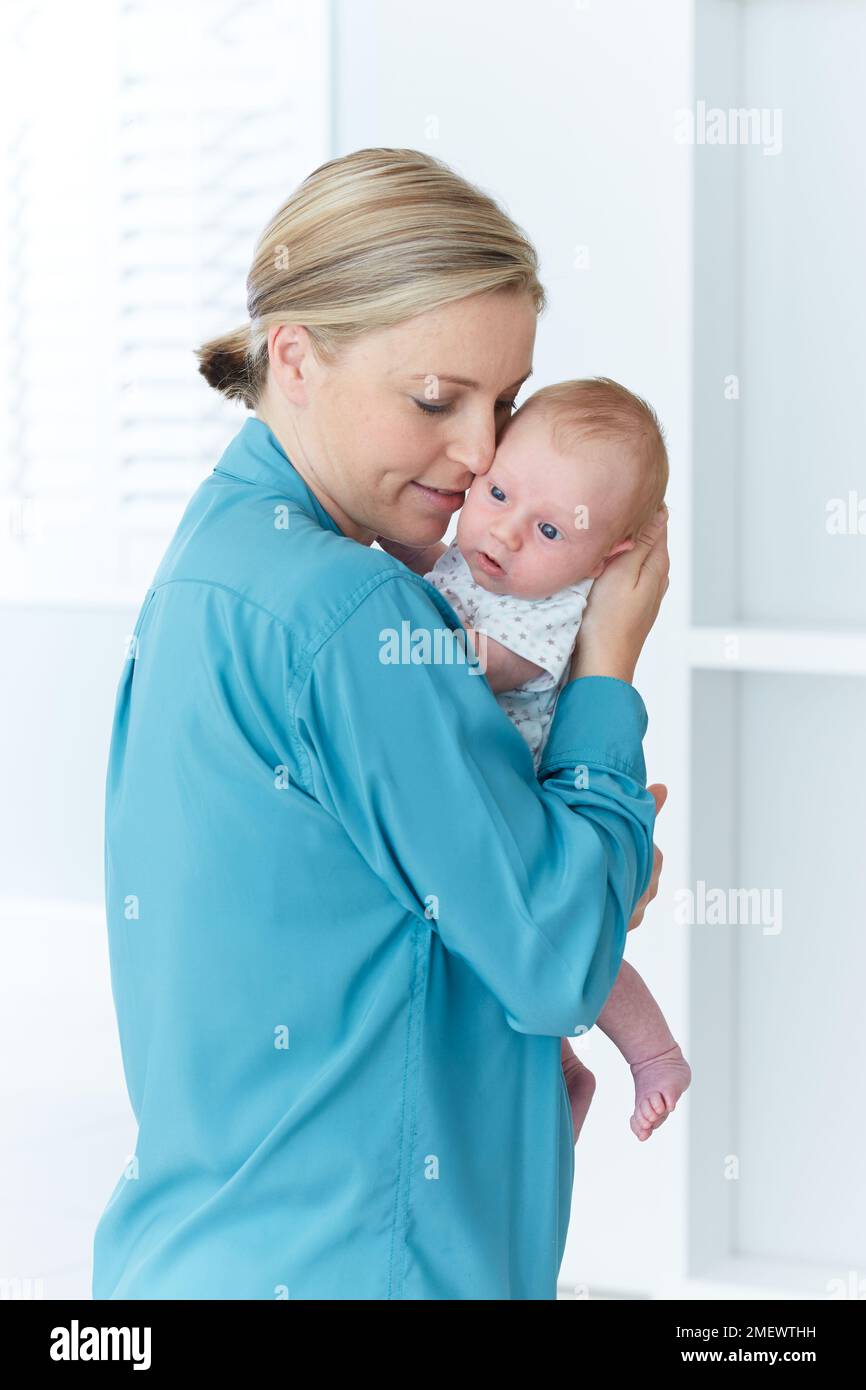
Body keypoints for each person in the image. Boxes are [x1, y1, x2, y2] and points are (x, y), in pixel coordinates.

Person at [91, 147, 669, 1301]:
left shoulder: (213, 566)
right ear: (294, 356)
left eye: (500, 402)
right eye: (433, 398)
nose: (478, 453)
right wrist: (607, 662)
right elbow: (555, 960)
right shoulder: (352, 609)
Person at [416, 377, 689, 1144]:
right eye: (497, 493)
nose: (503, 534)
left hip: (535, 805)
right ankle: (565, 1073)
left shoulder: (553, 608)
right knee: (509, 960)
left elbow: (483, 664)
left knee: (579, 955)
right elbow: (423, 557)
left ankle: (657, 1055)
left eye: (549, 532)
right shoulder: (476, 563)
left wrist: (397, 630)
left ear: (610, 558)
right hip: (488, 810)